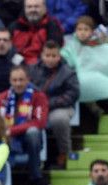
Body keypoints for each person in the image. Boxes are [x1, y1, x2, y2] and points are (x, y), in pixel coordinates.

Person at [61, 15, 108, 114]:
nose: (82, 32)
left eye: (86, 29)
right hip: (78, 79)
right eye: (79, 29)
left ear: (92, 31)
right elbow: (64, 58)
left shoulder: (100, 44)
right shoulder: (71, 45)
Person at [27, 40, 79, 168]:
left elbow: (73, 94)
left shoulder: (68, 72)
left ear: (59, 56)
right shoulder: (31, 69)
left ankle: (64, 153)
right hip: (35, 105)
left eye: (54, 56)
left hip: (59, 106)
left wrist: (49, 103)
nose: (50, 59)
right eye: (47, 55)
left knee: (59, 119)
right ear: (42, 55)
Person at [0, 65, 50, 185]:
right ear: (10, 81)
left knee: (33, 132)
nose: (18, 83)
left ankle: (35, 177)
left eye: (21, 80)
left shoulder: (39, 96)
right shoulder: (4, 97)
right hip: (7, 138)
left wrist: (12, 131)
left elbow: (39, 123)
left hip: (28, 140)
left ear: (28, 80)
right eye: (15, 80)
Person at [9, 0, 64, 64]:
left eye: (36, 6)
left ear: (45, 9)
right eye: (29, 7)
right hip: (16, 65)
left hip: (42, 66)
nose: (33, 10)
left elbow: (53, 50)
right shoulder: (14, 27)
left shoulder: (52, 26)